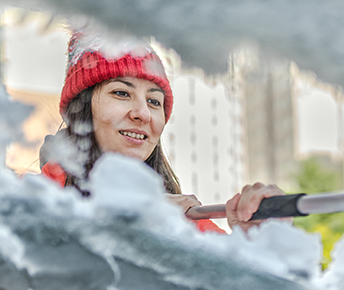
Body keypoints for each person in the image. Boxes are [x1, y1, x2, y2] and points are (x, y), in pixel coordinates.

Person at [40, 30, 284, 233]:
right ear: (81, 110)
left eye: (154, 102)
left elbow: (250, 289)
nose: (143, 114)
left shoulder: (180, 218)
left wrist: (257, 245)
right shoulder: (34, 202)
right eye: (122, 93)